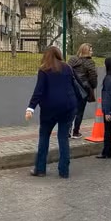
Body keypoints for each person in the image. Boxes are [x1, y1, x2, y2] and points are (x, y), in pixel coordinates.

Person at [25, 46, 79, 178]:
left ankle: (40, 169)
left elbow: (39, 91)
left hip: (50, 109)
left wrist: (30, 108)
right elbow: (73, 86)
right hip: (68, 107)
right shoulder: (67, 68)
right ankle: (64, 171)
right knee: (63, 138)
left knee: (44, 137)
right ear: (59, 54)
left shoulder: (44, 69)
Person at [68, 43, 98, 139]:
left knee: (70, 110)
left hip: (70, 87)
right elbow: (93, 77)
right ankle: (75, 132)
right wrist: (93, 86)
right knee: (79, 111)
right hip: (83, 89)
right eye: (91, 50)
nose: (92, 52)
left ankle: (67, 130)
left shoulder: (72, 60)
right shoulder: (89, 62)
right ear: (86, 51)